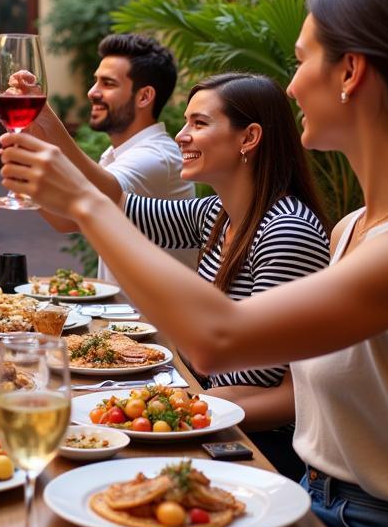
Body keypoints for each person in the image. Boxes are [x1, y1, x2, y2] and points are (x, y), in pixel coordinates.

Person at [0, 0, 388, 527]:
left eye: (301, 61)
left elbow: (220, 337)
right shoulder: (358, 228)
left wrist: (88, 208)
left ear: (351, 72)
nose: (290, 84)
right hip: (319, 512)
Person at [127, 72, 328, 477]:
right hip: (221, 417)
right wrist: (41, 125)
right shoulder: (218, 216)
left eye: (199, 123)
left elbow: (255, 374)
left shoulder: (285, 230)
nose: (182, 135)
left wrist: (177, 403)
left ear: (248, 138)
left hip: (263, 451)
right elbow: (118, 206)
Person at [28, 33, 195, 276]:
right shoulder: (116, 154)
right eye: (96, 81)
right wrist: (26, 152)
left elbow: (104, 194)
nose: (92, 92)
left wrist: (45, 117)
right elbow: (66, 221)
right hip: (119, 312)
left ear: (144, 96)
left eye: (108, 84)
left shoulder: (159, 156)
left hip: (151, 315)